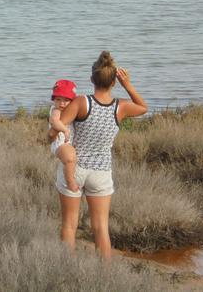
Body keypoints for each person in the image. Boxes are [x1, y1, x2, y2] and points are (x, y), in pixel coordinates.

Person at [49, 51, 147, 260]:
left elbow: (54, 132)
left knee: (69, 225)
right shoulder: (120, 107)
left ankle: (66, 270)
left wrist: (55, 135)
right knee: (101, 228)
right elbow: (143, 108)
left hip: (74, 170)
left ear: (91, 79)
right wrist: (128, 85)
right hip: (101, 172)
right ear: (114, 83)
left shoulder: (82, 102)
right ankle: (105, 277)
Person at [47, 80, 79, 193]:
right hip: (59, 143)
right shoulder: (56, 110)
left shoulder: (71, 110)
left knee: (72, 158)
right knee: (70, 159)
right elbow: (54, 121)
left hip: (68, 142)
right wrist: (65, 130)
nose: (62, 103)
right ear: (53, 100)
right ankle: (70, 182)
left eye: (66, 100)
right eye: (58, 99)